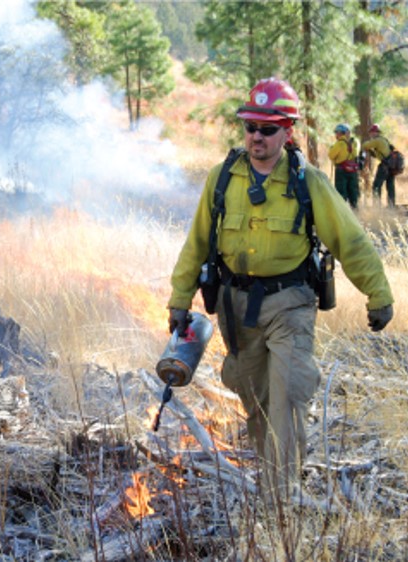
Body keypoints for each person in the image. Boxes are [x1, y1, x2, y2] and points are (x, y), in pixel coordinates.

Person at [166, 77, 394, 500]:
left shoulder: (308, 182)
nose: (257, 136)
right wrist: (180, 300)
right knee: (255, 401)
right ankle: (273, 479)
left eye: (268, 129)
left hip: (290, 304)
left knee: (287, 399)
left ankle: (280, 503)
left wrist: (378, 294)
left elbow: (351, 240)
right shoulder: (222, 178)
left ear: (287, 131)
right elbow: (196, 242)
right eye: (251, 126)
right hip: (235, 308)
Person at [361, 124, 396, 207]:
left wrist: (366, 145)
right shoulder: (383, 140)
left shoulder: (377, 141)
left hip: (384, 166)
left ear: (375, 132)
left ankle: (377, 206)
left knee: (376, 186)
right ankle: (391, 206)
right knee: (390, 186)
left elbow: (365, 145)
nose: (371, 134)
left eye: (371, 132)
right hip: (391, 166)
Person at [327, 123, 360, 208]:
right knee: (353, 193)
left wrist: (332, 149)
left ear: (342, 133)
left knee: (341, 193)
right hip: (353, 171)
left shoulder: (339, 143)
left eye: (337, 133)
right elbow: (356, 154)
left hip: (341, 171)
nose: (336, 135)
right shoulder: (354, 143)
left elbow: (331, 155)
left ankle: (342, 212)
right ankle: (355, 211)